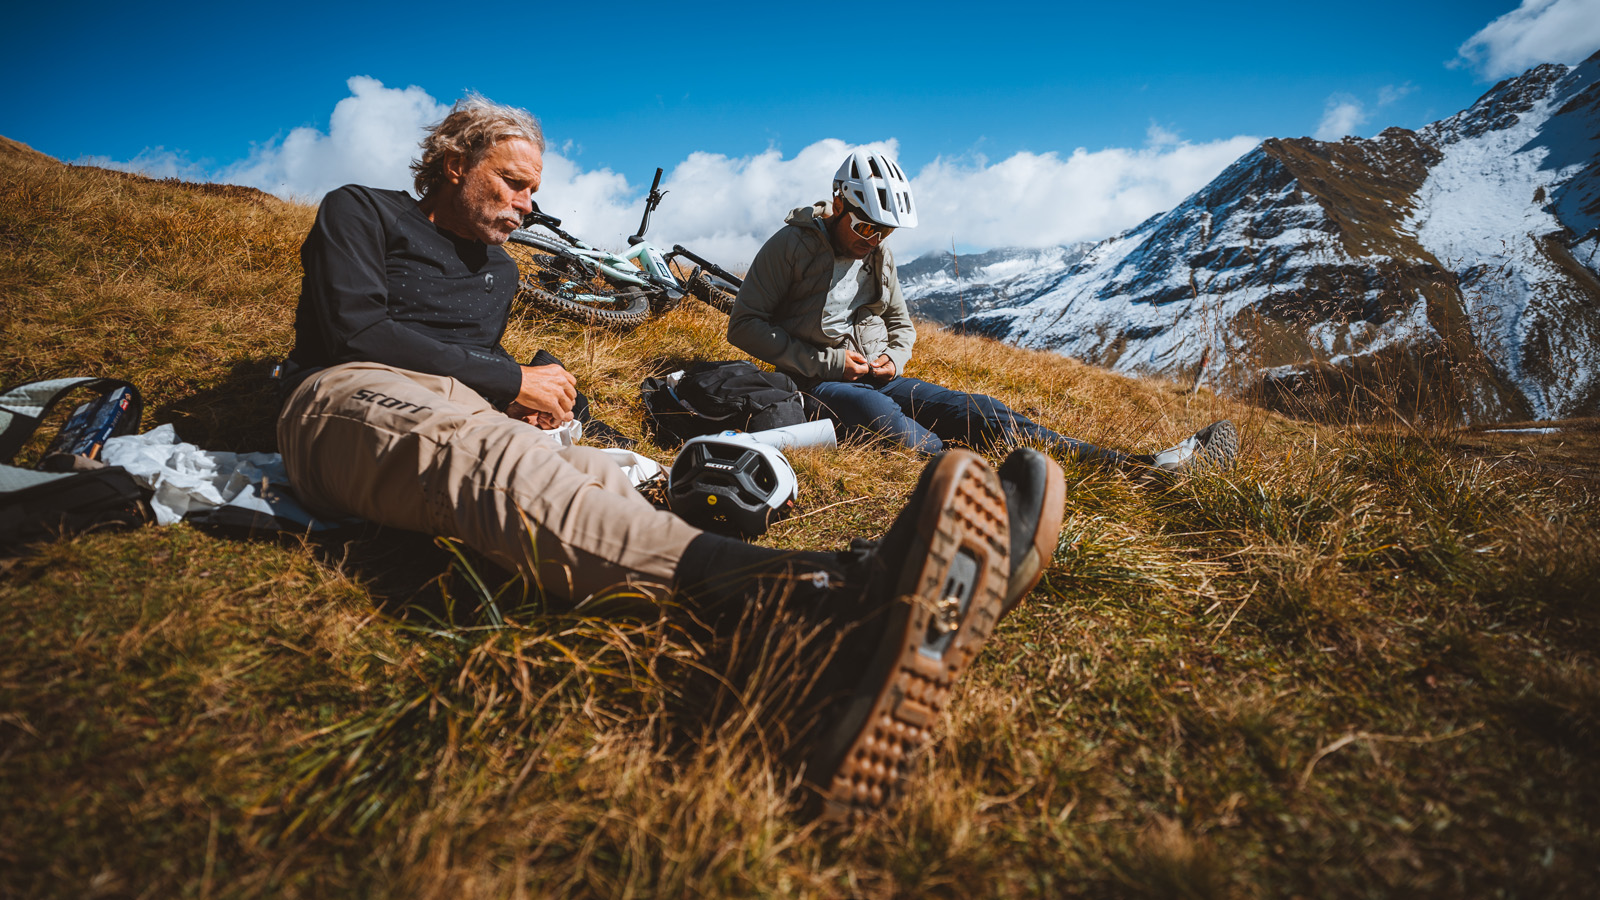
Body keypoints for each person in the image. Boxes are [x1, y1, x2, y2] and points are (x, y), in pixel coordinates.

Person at [273, 96, 1068, 819]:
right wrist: (510, 378)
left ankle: (825, 655)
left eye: (532, 192)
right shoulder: (363, 213)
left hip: (462, 416)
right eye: (514, 185)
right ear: (454, 165)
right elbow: (356, 330)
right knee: (489, 461)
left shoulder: (500, 271)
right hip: (346, 396)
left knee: (603, 480)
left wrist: (537, 397)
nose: (528, 207)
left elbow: (472, 377)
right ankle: (844, 592)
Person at [728, 149, 1238, 472]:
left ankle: (1146, 467)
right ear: (839, 204)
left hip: (879, 374)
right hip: (818, 382)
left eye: (884, 231)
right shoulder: (790, 246)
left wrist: (895, 360)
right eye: (865, 228)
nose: (874, 240)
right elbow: (744, 325)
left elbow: (901, 325)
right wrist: (832, 365)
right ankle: (989, 489)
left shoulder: (878, 252)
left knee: (980, 411)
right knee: (884, 420)